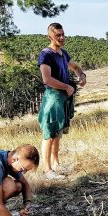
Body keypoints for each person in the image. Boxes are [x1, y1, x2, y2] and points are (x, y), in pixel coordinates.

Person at [38, 22, 87, 180]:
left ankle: (56, 163)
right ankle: (47, 170)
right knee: (50, 134)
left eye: (63, 34)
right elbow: (47, 79)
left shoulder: (63, 53)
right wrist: (66, 86)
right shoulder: (46, 54)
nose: (61, 37)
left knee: (58, 133)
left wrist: (82, 75)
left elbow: (75, 67)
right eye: (58, 35)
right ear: (49, 37)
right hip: (53, 98)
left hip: (63, 98)